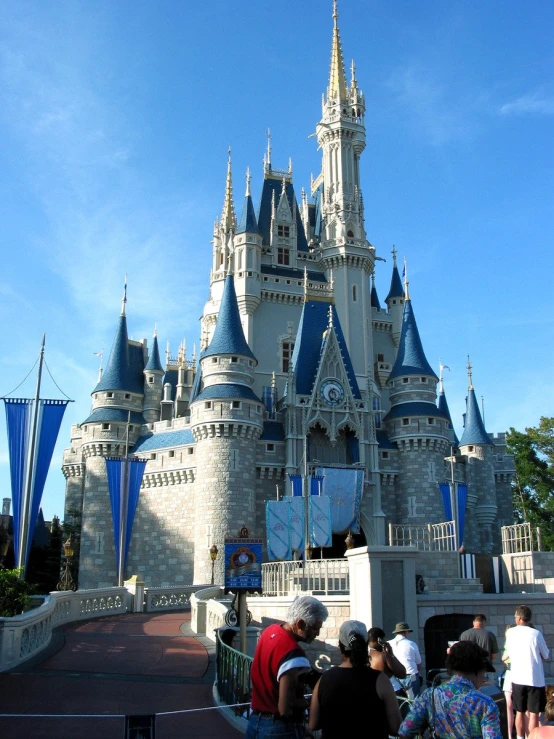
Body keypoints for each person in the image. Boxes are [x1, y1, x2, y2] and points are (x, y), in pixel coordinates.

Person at [246, 595, 328, 739]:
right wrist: (309, 702)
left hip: (255, 723)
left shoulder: (269, 631)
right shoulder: (293, 653)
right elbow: (285, 708)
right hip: (278, 728)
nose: (317, 634)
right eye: (315, 628)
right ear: (300, 624)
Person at [308, 620, 402, 739]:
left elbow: (313, 724)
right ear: (366, 644)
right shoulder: (380, 680)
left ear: (340, 647)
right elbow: (396, 727)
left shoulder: (324, 679)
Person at [398, 641, 502, 738]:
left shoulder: (429, 696)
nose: (483, 677)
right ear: (477, 670)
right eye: (484, 673)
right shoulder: (485, 703)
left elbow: (405, 732)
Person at [504, 605, 550, 739]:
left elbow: (509, 653)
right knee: (534, 713)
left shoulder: (510, 633)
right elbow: (546, 655)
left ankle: (520, 737)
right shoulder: (536, 634)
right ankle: (532, 737)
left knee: (519, 712)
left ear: (518, 618)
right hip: (534, 678)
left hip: (517, 677)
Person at [390, 621, 422, 699]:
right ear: (406, 632)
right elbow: (418, 664)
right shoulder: (411, 644)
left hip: (394, 678)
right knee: (414, 701)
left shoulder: (389, 644)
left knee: (399, 702)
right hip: (410, 676)